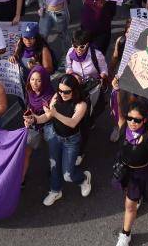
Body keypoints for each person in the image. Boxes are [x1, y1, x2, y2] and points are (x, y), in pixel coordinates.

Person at [112, 95, 148, 246]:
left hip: (140, 174)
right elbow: (117, 106)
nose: (132, 122)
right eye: (130, 118)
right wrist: (116, 90)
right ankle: (138, 198)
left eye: (137, 120)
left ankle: (125, 234)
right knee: (130, 196)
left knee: (129, 206)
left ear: (144, 120)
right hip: (124, 169)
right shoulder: (124, 125)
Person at [29, 74, 93, 206]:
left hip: (71, 141)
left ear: (74, 90)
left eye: (66, 92)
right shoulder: (56, 97)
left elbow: (73, 123)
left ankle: (83, 179)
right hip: (55, 137)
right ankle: (55, 190)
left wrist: (55, 114)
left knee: (68, 175)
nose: (62, 94)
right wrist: (33, 119)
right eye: (60, 90)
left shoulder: (81, 104)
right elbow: (46, 117)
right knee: (54, 165)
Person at [21, 65, 54, 181]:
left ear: (44, 81)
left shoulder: (51, 96)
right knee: (26, 151)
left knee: (52, 149)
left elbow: (48, 115)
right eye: (32, 79)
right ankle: (21, 179)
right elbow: (29, 107)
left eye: (39, 80)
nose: (34, 83)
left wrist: (34, 119)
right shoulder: (30, 91)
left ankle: (54, 170)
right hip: (34, 124)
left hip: (49, 125)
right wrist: (28, 118)